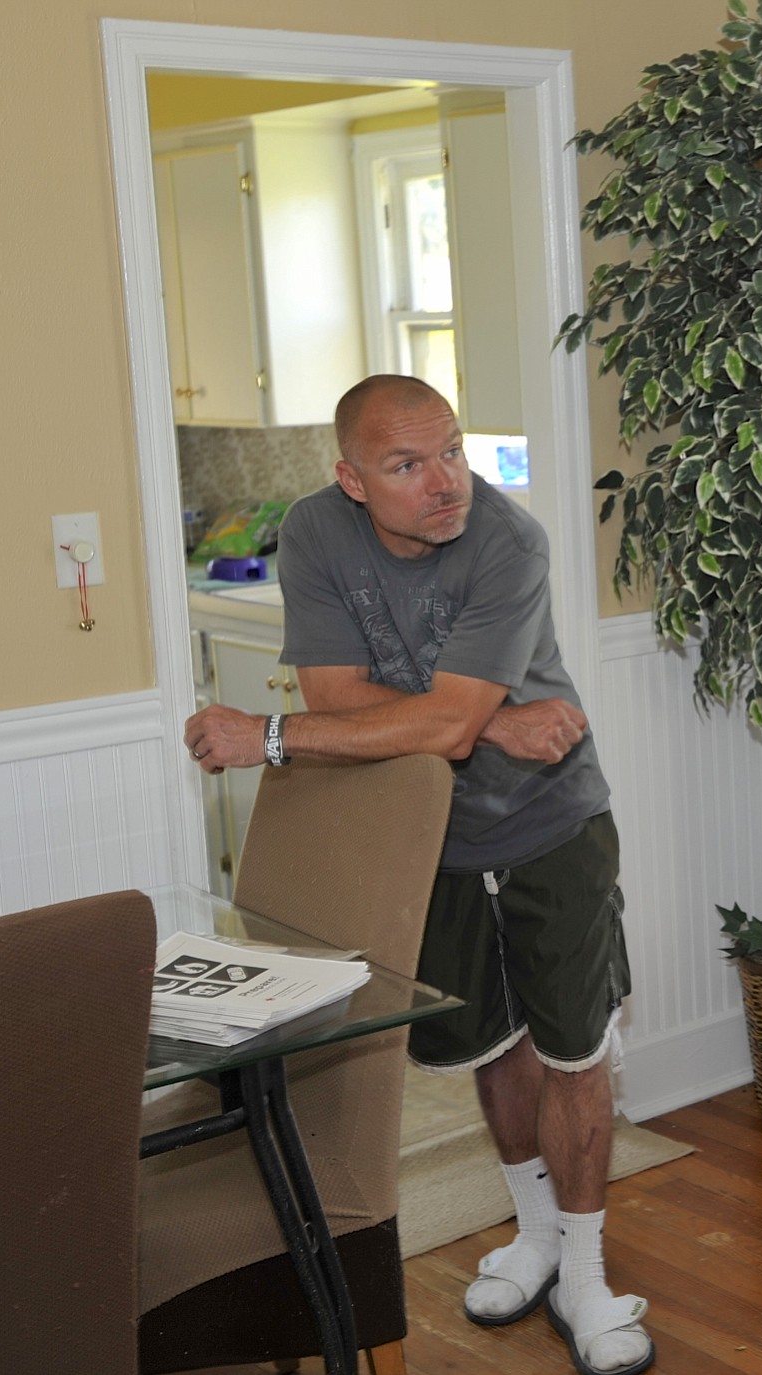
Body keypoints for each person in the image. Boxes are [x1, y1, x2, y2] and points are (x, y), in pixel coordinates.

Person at [183, 374, 653, 1375]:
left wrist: (275, 735)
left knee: (573, 1052)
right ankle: (532, 1236)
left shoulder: (507, 540)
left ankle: (587, 1271)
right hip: (432, 838)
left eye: (451, 451)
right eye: (408, 465)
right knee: (491, 1043)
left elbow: (416, 722)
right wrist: (490, 716)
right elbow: (335, 692)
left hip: (551, 822)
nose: (445, 482)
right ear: (349, 479)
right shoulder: (313, 534)